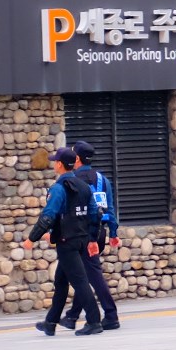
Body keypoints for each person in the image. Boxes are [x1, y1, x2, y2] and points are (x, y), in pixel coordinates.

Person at [27, 148, 103, 336]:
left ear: (60, 164)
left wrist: (32, 238)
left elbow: (48, 216)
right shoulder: (84, 186)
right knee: (61, 281)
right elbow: (95, 213)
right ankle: (50, 322)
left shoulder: (59, 188)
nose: (53, 164)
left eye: (55, 161)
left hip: (66, 242)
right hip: (81, 240)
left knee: (80, 282)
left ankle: (94, 321)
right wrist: (92, 239)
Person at [53, 140, 120, 332]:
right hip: (99, 232)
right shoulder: (102, 179)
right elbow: (110, 208)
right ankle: (71, 316)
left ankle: (110, 314)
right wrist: (113, 232)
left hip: (82, 234)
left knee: (90, 275)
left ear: (77, 159)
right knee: (81, 274)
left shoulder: (74, 181)